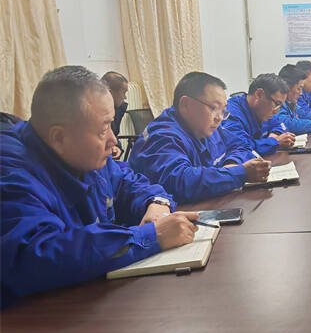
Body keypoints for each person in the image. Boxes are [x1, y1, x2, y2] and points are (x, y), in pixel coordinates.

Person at [0, 66, 198, 305]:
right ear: (59, 138)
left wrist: (157, 203)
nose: (114, 141)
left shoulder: (85, 154)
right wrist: (150, 236)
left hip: (90, 297)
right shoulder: (11, 172)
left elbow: (127, 181)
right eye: (104, 129)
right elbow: (35, 256)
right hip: (36, 319)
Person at [128, 72, 271, 204]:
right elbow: (181, 182)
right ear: (186, 104)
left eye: (223, 111)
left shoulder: (205, 126)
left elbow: (241, 146)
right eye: (214, 108)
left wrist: (231, 164)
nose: (219, 118)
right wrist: (240, 173)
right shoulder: (163, 136)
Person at [222, 73, 294, 156]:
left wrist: (275, 133)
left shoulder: (263, 110)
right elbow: (240, 147)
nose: (276, 112)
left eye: (280, 106)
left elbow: (280, 125)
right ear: (259, 94)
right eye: (277, 104)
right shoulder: (231, 114)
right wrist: (275, 142)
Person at [272, 64, 311, 134]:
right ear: (287, 87)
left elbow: (303, 113)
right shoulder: (277, 103)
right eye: (298, 88)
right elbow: (287, 124)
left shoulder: (291, 103)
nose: (300, 93)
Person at [101, 71, 129, 159]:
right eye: (123, 92)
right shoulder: (93, 113)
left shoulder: (119, 108)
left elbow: (114, 135)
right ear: (109, 93)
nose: (125, 97)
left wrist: (116, 146)